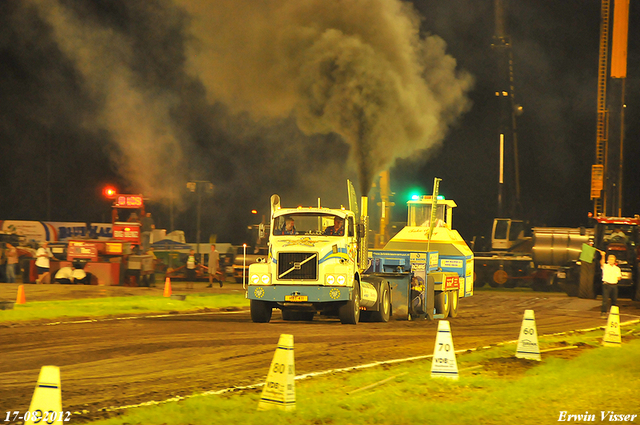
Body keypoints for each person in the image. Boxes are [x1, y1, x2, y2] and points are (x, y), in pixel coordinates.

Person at [599, 251, 621, 318]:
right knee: (605, 299)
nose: (611, 260)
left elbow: (619, 277)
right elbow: (602, 263)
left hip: (614, 285)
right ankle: (603, 313)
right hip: (606, 285)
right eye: (610, 259)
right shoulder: (605, 266)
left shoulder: (617, 268)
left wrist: (617, 277)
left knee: (614, 300)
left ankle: (613, 313)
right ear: (608, 260)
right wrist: (603, 256)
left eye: (612, 259)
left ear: (614, 260)